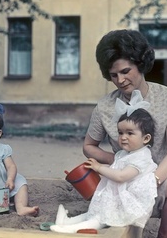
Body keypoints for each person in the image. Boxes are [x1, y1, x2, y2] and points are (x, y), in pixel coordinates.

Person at [82, 29, 167, 238]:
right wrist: (119, 160)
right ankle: (166, 234)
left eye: (126, 71)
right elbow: (88, 146)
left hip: (165, 174)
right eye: (113, 75)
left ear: (141, 64)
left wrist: (152, 179)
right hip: (129, 177)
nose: (120, 80)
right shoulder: (104, 106)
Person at [50, 90, 158, 233]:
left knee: (99, 219)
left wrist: (100, 167)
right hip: (117, 195)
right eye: (120, 133)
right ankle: (66, 222)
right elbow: (116, 167)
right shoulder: (125, 153)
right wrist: (100, 167)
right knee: (94, 213)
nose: (123, 137)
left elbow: (121, 176)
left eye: (130, 133)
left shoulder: (142, 157)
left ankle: (70, 229)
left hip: (128, 203)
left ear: (146, 138)